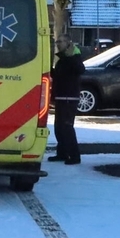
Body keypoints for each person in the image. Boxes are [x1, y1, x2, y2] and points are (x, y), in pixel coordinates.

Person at [49, 34, 85, 165]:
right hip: (61, 97)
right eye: (57, 42)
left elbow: (80, 69)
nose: (58, 44)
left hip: (69, 97)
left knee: (67, 126)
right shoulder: (62, 59)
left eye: (61, 41)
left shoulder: (73, 57)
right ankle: (62, 153)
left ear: (68, 42)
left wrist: (69, 58)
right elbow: (59, 75)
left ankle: (74, 156)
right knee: (59, 127)